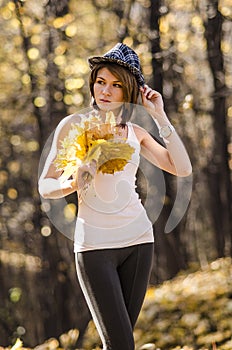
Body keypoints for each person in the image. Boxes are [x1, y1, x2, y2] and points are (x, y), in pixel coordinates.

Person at [38, 43, 192, 350]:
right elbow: (45, 185)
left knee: (119, 343)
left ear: (129, 91)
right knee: (121, 344)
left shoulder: (136, 133)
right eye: (100, 82)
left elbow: (182, 168)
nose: (105, 91)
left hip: (138, 242)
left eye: (116, 85)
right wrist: (72, 183)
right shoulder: (72, 126)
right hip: (94, 247)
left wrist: (159, 116)